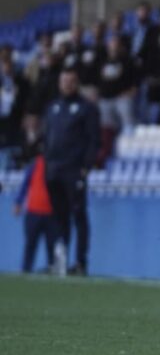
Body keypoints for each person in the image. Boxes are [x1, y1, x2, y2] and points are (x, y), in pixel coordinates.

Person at [44, 68, 100, 276]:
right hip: (54, 171)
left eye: (70, 81)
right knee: (59, 218)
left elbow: (94, 141)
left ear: (77, 83)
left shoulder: (87, 108)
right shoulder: (53, 107)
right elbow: (47, 137)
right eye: (63, 80)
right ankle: (60, 262)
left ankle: (80, 262)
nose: (66, 84)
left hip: (74, 170)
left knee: (79, 215)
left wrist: (86, 167)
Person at [13, 142, 63, 274]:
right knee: (30, 245)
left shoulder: (57, 167)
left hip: (51, 213)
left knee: (51, 246)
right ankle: (25, 271)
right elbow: (25, 185)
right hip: (34, 212)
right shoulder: (34, 166)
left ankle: (52, 270)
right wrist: (18, 202)